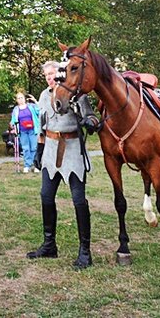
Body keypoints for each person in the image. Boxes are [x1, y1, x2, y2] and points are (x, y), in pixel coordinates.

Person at [27, 60, 96, 270]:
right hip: (50, 148)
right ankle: (49, 245)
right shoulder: (42, 96)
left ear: (61, 73)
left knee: (78, 200)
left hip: (73, 148)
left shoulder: (77, 94)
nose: (50, 77)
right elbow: (42, 125)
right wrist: (39, 151)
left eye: (53, 73)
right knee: (46, 197)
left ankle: (85, 251)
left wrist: (90, 122)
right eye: (46, 74)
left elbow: (91, 116)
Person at [11, 92, 41, 173]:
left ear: (24, 98)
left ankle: (35, 165)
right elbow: (13, 120)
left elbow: (40, 111)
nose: (20, 99)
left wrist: (35, 101)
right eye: (18, 98)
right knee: (25, 148)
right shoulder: (16, 109)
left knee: (34, 148)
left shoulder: (31, 106)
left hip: (32, 130)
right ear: (17, 100)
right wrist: (13, 127)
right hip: (22, 131)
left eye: (21, 98)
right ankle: (27, 165)